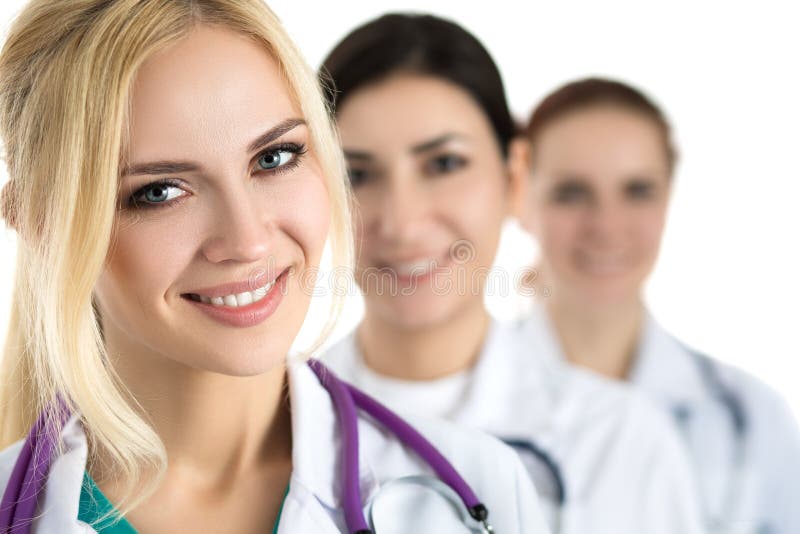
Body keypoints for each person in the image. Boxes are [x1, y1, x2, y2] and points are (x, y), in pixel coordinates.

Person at [0, 1, 551, 532]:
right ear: (41, 224)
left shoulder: (480, 487)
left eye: (274, 157)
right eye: (161, 191)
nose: (247, 241)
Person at [321, 13, 705, 534]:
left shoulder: (620, 441)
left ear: (515, 178)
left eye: (444, 164)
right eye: (358, 175)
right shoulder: (275, 428)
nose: (403, 222)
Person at [519, 76, 800, 533]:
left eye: (637, 191)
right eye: (571, 192)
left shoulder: (753, 421)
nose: (606, 226)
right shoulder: (460, 404)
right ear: (520, 197)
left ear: (669, 196)